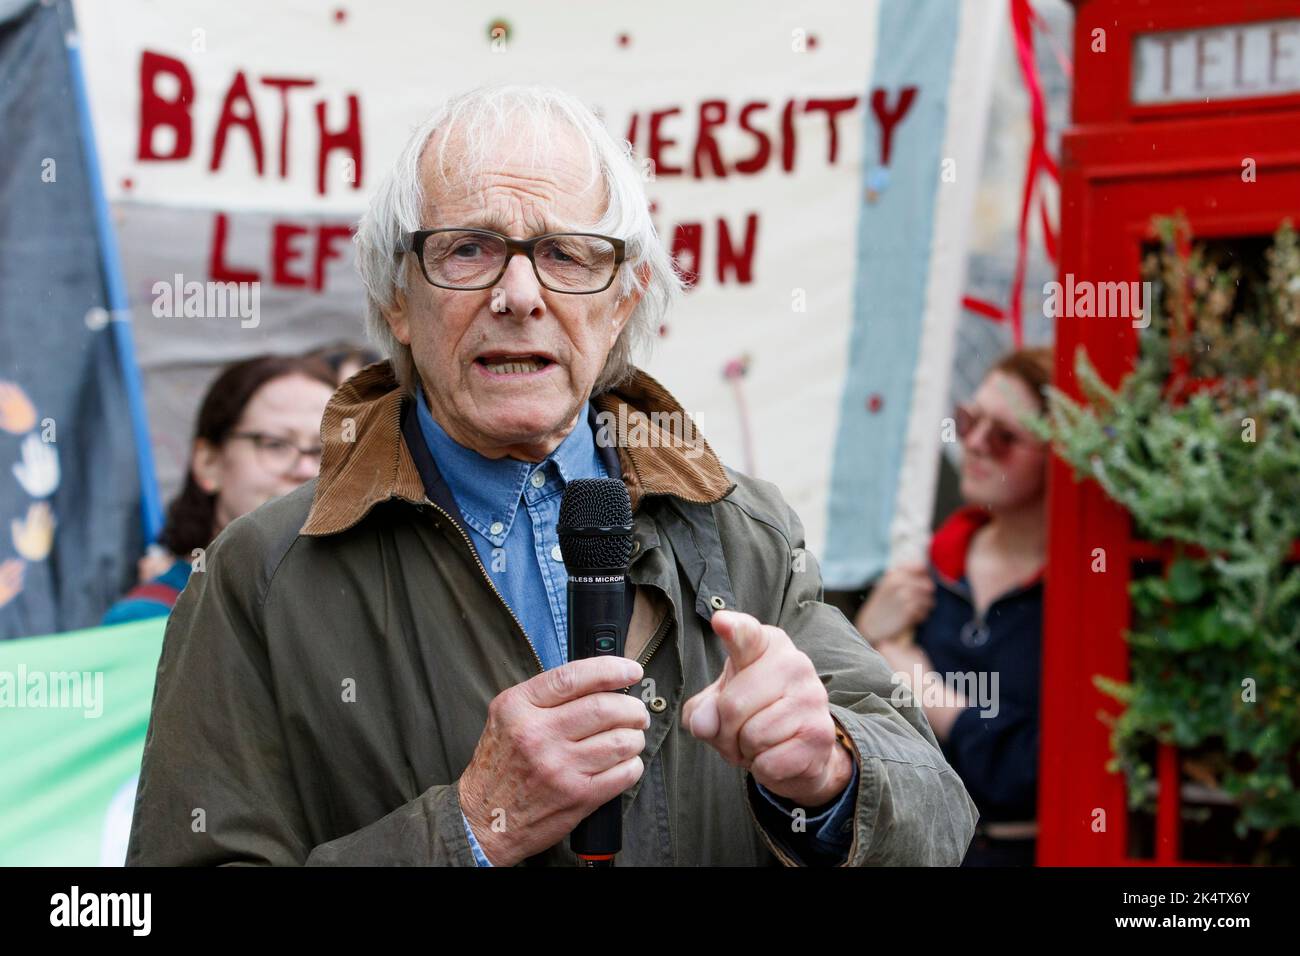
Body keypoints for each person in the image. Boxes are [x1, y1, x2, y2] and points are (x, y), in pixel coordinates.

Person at [127, 84, 977, 867]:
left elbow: (939, 818)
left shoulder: (739, 531)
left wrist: (828, 775)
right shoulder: (260, 574)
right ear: (398, 301)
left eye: (569, 255)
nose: (520, 294)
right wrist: (467, 827)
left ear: (624, 303)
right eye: (467, 250)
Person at [855, 346, 1052, 866]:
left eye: (1005, 436)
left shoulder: (1072, 596)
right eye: (969, 420)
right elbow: (856, 735)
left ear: (1059, 454)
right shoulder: (925, 573)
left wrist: (926, 691)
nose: (976, 444)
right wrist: (864, 640)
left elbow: (1035, 772)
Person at [102, 355, 336, 625]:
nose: (308, 471)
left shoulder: (358, 607)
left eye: (325, 450)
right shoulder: (148, 619)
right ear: (209, 463)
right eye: (276, 444)